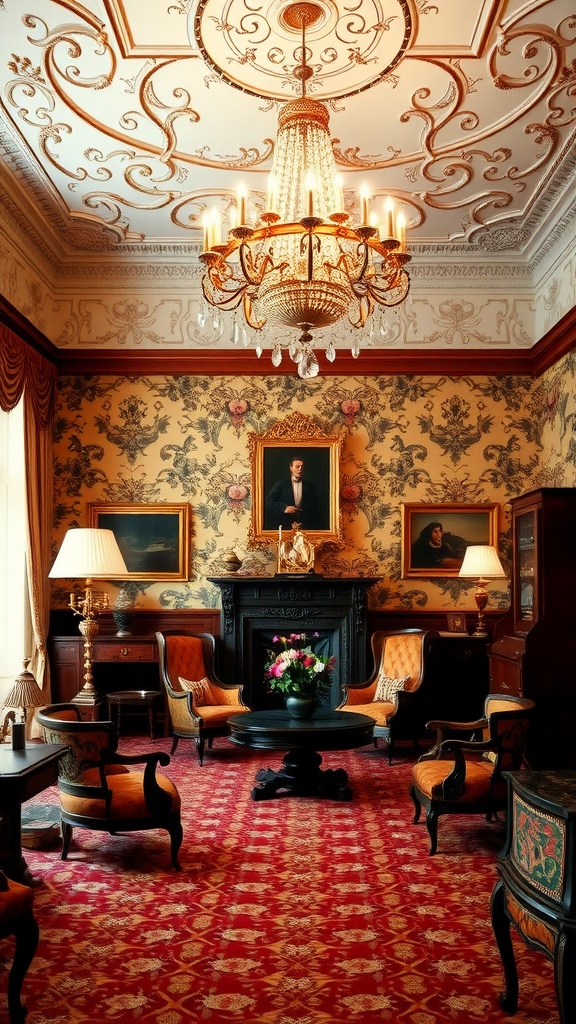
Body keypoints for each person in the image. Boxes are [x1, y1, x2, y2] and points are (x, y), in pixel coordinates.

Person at [264, 455, 321, 531]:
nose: (300, 469)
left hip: (305, 527)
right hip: (285, 526)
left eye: (302, 467)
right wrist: (284, 508)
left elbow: (315, 509)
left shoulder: (310, 486)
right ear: (291, 468)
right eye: (297, 466)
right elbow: (268, 501)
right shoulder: (281, 484)